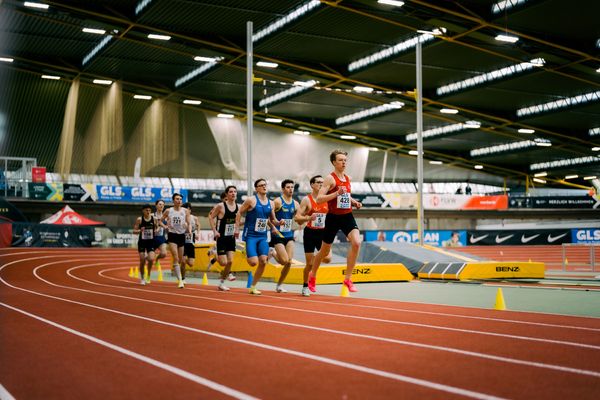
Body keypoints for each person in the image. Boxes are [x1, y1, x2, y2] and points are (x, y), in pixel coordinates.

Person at [308, 149, 362, 294]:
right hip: (333, 217)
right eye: (340, 160)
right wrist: (336, 193)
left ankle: (348, 279)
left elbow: (344, 196)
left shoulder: (348, 178)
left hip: (347, 216)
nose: (344, 162)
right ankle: (312, 275)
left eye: (345, 160)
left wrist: (354, 202)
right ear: (334, 162)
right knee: (324, 252)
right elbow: (319, 199)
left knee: (356, 242)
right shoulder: (329, 179)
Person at [236, 178, 281, 295]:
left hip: (262, 236)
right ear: (256, 188)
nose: (264, 187)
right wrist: (236, 228)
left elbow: (272, 219)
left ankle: (253, 286)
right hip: (251, 235)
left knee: (263, 261)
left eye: (265, 185)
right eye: (261, 185)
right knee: (253, 262)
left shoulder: (271, 203)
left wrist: (277, 224)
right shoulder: (251, 200)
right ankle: (247, 253)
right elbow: (239, 212)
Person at [296, 175, 331, 297]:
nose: (321, 184)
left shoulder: (327, 198)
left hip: (323, 232)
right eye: (318, 182)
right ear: (312, 185)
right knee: (309, 264)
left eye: (323, 182)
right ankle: (305, 286)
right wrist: (308, 217)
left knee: (327, 258)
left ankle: (315, 261)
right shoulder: (307, 199)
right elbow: (297, 217)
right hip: (310, 233)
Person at [270, 179, 302, 293]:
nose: (291, 189)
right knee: (283, 261)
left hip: (289, 234)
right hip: (278, 234)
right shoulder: (278, 201)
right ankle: (272, 252)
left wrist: (306, 219)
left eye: (292, 187)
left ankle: (279, 285)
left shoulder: (296, 203)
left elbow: (299, 218)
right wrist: (275, 224)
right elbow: (269, 216)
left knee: (289, 262)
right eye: (288, 187)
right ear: (283, 189)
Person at [208, 185, 240, 291]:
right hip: (221, 237)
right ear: (226, 194)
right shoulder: (221, 206)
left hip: (231, 238)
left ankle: (222, 283)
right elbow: (211, 217)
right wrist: (215, 231)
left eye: (235, 192)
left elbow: (237, 220)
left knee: (230, 261)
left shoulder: (238, 207)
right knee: (224, 262)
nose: (233, 193)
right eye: (231, 192)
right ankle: (215, 255)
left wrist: (237, 229)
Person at [163, 193, 192, 288]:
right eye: (177, 199)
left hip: (181, 236)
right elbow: (160, 220)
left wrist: (189, 229)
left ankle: (179, 275)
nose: (179, 200)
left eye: (180, 199)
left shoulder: (185, 211)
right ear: (173, 201)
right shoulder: (168, 211)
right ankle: (180, 281)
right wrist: (165, 226)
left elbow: (189, 223)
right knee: (175, 257)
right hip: (172, 235)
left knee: (180, 259)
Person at [132, 204, 158, 285]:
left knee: (151, 259)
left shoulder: (154, 219)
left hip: (151, 242)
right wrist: (140, 230)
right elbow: (134, 231)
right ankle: (142, 278)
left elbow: (157, 227)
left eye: (149, 210)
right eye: (146, 210)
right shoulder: (139, 219)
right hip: (142, 242)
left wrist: (156, 230)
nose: (148, 212)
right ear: (143, 211)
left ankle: (148, 275)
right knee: (142, 260)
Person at [182, 202, 200, 281]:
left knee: (191, 264)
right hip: (182, 241)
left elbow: (198, 225)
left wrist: (197, 233)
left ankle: (182, 261)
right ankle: (182, 278)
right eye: (186, 209)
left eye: (189, 209)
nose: (187, 211)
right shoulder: (181, 218)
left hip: (191, 241)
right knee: (183, 261)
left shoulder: (194, 218)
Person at [153, 199, 168, 269]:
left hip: (161, 238)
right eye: (160, 204)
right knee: (149, 257)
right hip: (152, 238)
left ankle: (157, 259)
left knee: (164, 253)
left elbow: (168, 226)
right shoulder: (152, 215)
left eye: (163, 204)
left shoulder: (166, 217)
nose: (161, 206)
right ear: (156, 205)